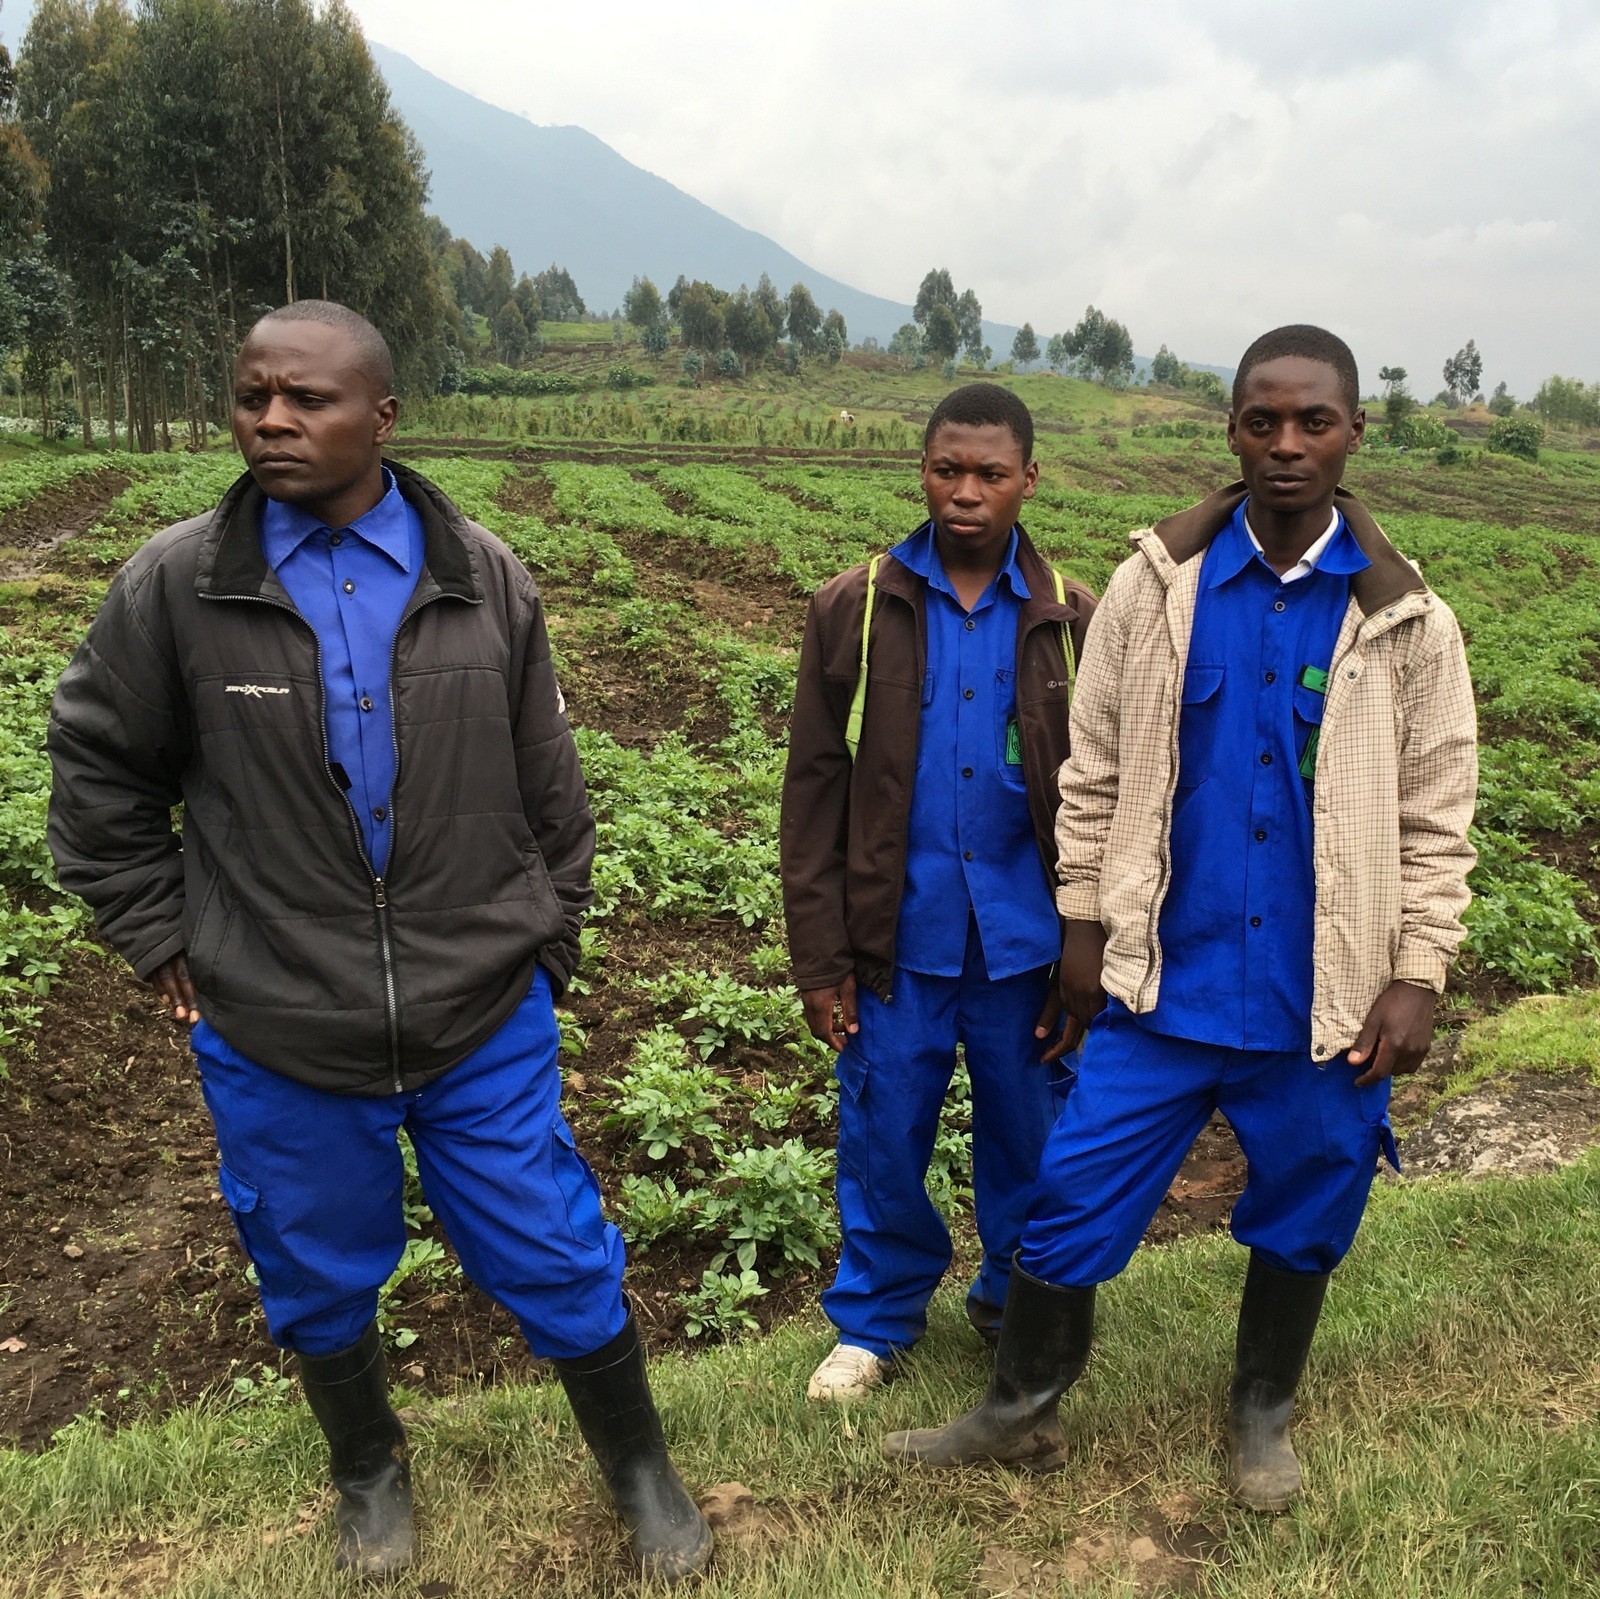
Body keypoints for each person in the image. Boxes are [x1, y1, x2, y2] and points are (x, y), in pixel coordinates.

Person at [45, 302, 712, 1583]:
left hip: (478, 1014)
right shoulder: (178, 585)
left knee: (555, 1246)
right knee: (310, 1263)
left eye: (308, 400)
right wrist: (157, 931)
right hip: (278, 1018)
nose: (274, 421)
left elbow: (551, 786)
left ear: (384, 417)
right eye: (253, 397)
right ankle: (368, 1470)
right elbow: (96, 767)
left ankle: (640, 1470)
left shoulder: (482, 574)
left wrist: (545, 941)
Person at [883, 326, 1478, 1510]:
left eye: (1313, 422)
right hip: (1167, 983)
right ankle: (1020, 1410)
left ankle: (1261, 1414)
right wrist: (1084, 927)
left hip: (1322, 994)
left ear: (1354, 434)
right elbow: (1093, 771)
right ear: (1233, 433)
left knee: (1308, 1201)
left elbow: (1435, 813)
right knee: (1070, 1194)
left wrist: (1419, 972)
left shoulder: (1410, 625)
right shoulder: (1158, 592)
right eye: (1263, 421)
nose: (1287, 444)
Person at [781, 383, 1096, 1401]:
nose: (965, 492)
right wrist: (821, 958)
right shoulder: (857, 607)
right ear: (921, 471)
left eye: (989, 474)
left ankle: (1015, 1305)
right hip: (894, 943)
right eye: (945, 470)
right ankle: (874, 1322)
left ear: (1026, 481)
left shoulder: (1071, 622)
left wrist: (1091, 948)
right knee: (882, 1134)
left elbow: (1113, 797)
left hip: (1026, 948)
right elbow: (813, 795)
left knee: (1031, 1136)